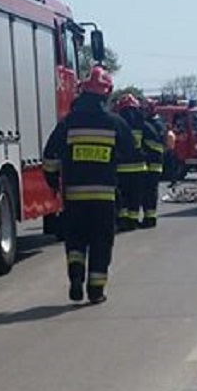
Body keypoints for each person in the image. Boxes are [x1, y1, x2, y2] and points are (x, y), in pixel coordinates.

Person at [42, 66, 137, 304]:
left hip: (74, 197)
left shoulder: (68, 123)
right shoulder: (114, 123)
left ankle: (76, 279)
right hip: (104, 198)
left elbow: (50, 155)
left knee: (75, 243)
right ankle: (96, 291)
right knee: (101, 243)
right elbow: (130, 152)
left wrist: (53, 181)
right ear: (106, 93)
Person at [112, 94, 157, 231]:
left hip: (120, 169)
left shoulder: (116, 124)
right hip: (139, 169)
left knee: (122, 197)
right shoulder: (144, 125)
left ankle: (123, 220)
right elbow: (155, 146)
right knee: (135, 196)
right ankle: (133, 220)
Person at [139, 100, 166, 228]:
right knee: (148, 192)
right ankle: (149, 217)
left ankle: (150, 217)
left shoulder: (154, 124)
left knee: (149, 192)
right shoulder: (157, 123)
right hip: (154, 163)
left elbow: (156, 145)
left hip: (153, 163)